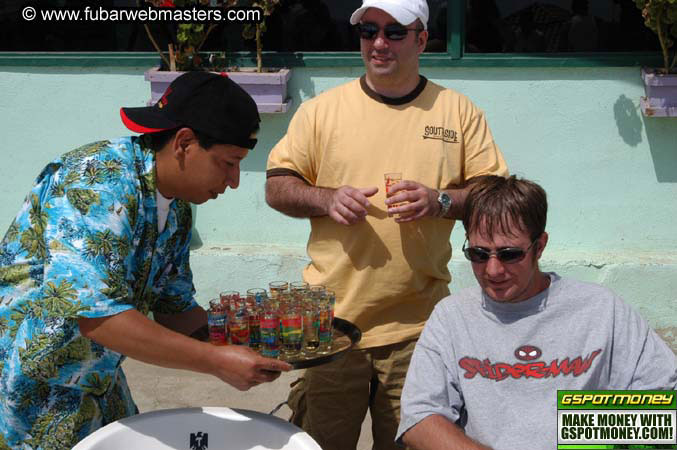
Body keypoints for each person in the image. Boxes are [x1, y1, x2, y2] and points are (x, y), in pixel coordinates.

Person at [0, 71, 292, 449]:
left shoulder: (177, 209)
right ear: (184, 142)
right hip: (29, 386)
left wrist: (252, 345)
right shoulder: (95, 181)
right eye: (228, 163)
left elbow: (173, 309)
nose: (234, 181)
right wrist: (215, 361)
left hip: (98, 378)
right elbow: (98, 318)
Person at [264, 0, 508, 447]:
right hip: (331, 325)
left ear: (421, 39)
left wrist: (440, 200)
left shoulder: (457, 113)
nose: (379, 43)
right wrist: (325, 198)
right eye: (368, 31)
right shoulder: (322, 111)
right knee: (319, 442)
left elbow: (494, 195)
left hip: (420, 328)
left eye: (395, 32)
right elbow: (278, 185)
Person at [397, 175, 677, 450]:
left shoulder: (601, 309)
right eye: (479, 254)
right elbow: (419, 418)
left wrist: (579, 430)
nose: (493, 270)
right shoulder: (452, 317)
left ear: (540, 246)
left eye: (509, 254)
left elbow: (664, 396)